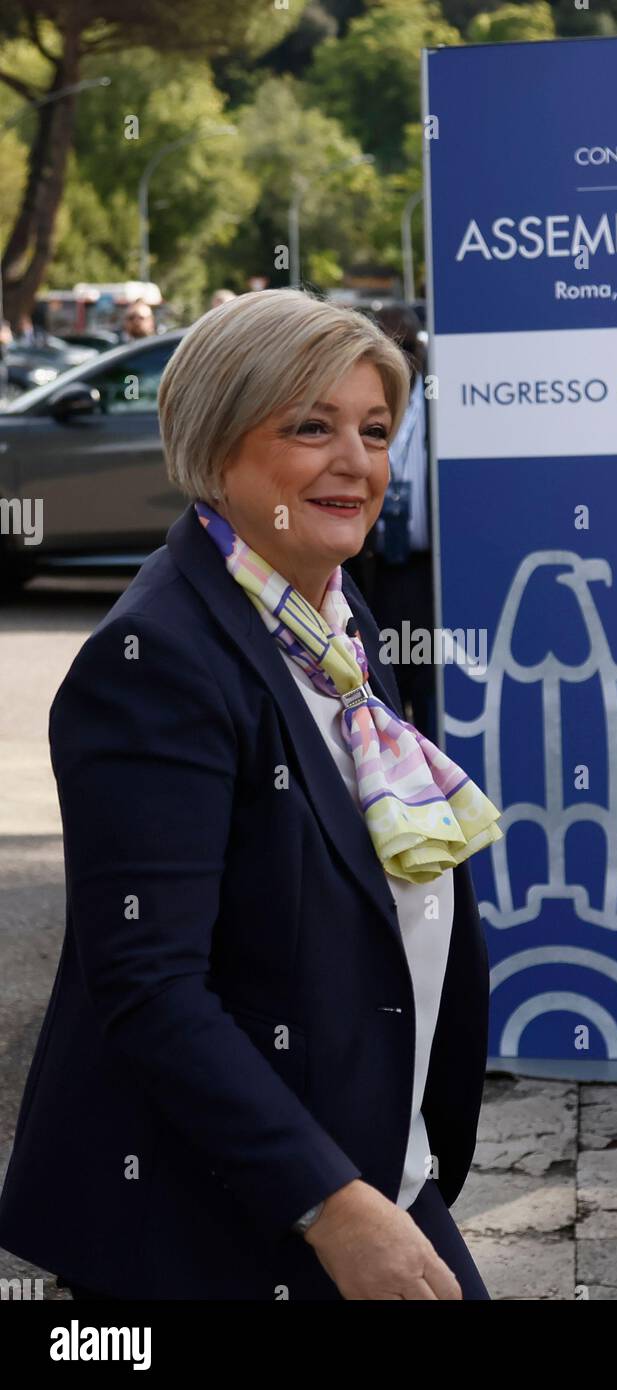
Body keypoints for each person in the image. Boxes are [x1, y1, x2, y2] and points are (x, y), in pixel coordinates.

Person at [0, 288, 503, 1301]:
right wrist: (329, 1204)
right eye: (309, 426)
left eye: (372, 429)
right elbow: (150, 989)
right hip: (227, 1226)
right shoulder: (156, 663)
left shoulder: (330, 610)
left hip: (374, 1168)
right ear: (216, 442)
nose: (356, 462)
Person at [344, 303, 436, 739]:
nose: (401, 358)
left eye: (407, 346)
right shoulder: (360, 407)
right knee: (381, 687)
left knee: (433, 687)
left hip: (430, 575)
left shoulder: (440, 404)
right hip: (374, 572)